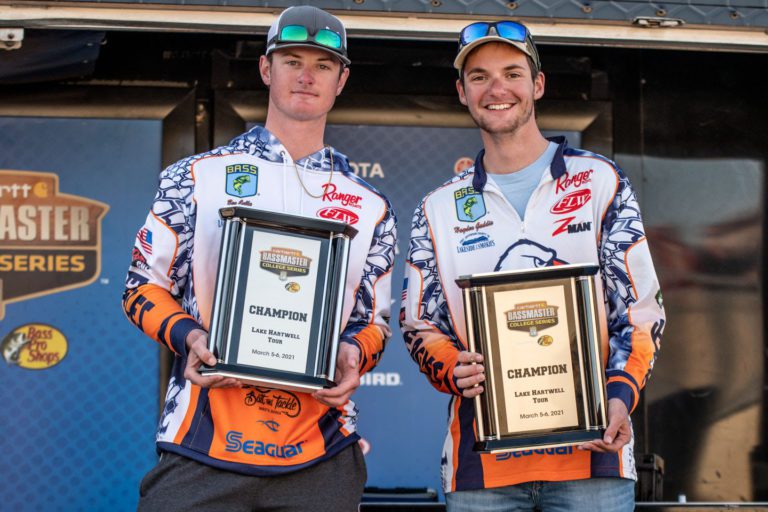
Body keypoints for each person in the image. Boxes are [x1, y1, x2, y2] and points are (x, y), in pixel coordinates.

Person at [123, 6, 396, 511]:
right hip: (202, 443)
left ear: (342, 79)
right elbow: (141, 287)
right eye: (292, 60)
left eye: (323, 65)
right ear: (266, 70)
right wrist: (193, 337)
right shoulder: (196, 176)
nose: (307, 75)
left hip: (321, 451)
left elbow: (372, 322)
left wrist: (355, 355)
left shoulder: (370, 205)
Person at [400, 20, 665, 511]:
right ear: (461, 92)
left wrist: (619, 395)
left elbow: (640, 312)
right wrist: (452, 367)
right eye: (479, 77)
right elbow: (420, 325)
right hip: (482, 468)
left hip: (594, 461)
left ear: (537, 84)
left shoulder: (600, 182)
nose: (496, 89)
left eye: (512, 73)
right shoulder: (437, 207)